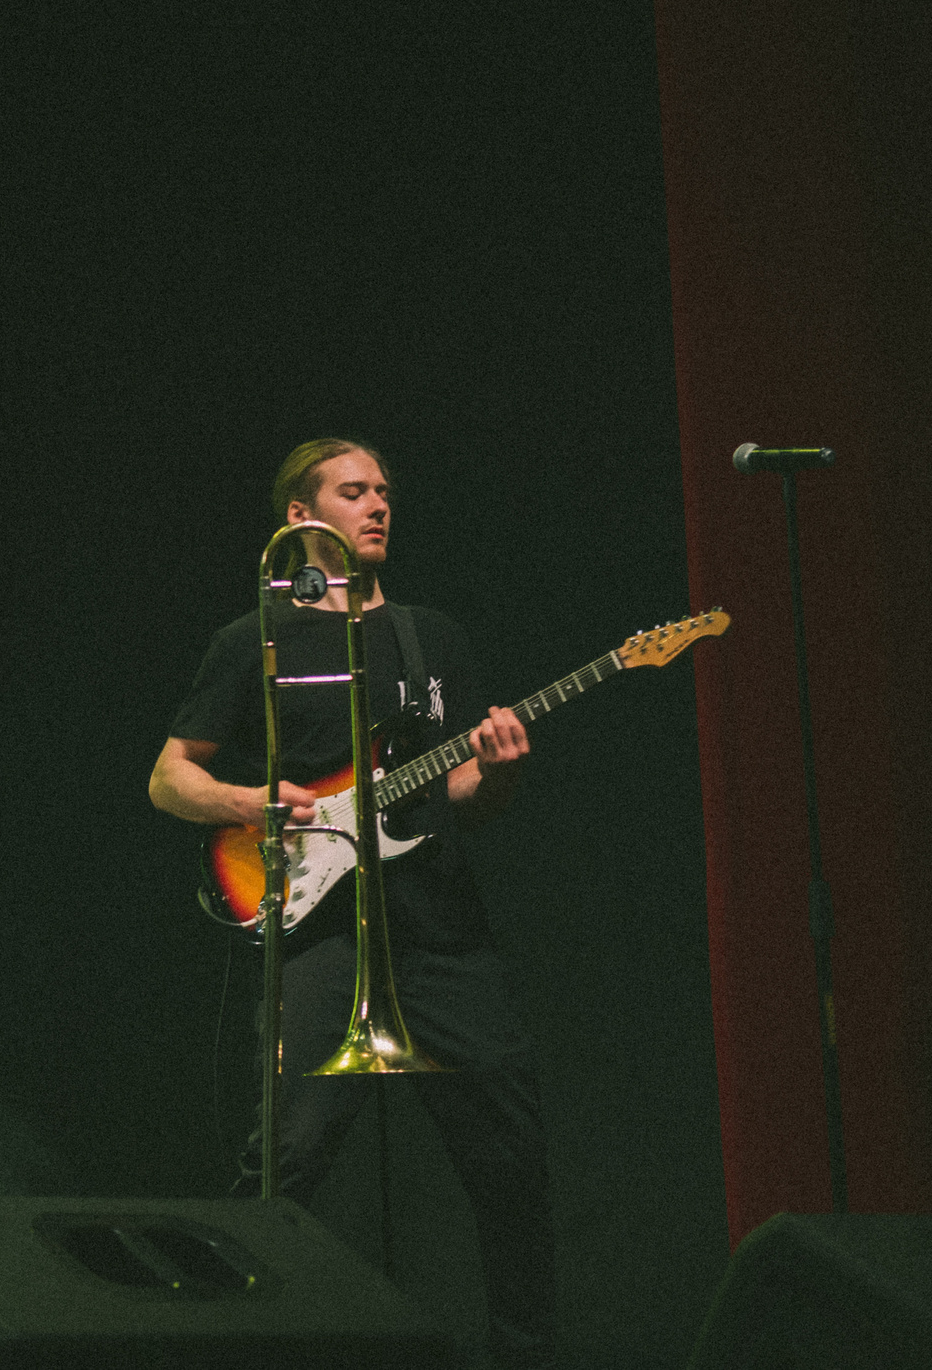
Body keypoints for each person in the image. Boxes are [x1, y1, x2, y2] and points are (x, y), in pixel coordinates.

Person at [148, 438, 557, 1370]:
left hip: (441, 935)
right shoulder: (256, 638)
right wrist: (257, 804)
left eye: (384, 491)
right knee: (284, 1160)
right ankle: (218, 1343)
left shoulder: (429, 635)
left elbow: (458, 799)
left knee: (512, 1158)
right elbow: (169, 779)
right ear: (302, 517)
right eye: (353, 490)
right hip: (320, 931)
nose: (378, 505)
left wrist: (493, 775)